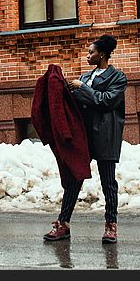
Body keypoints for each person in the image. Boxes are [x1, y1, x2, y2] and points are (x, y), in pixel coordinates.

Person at [43, 34, 127, 244]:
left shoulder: (117, 77)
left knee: (108, 182)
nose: (88, 55)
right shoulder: (85, 76)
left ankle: (111, 226)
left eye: (91, 52)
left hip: (106, 136)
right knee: (74, 179)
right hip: (83, 136)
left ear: (103, 55)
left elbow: (106, 101)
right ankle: (63, 224)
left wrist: (83, 88)